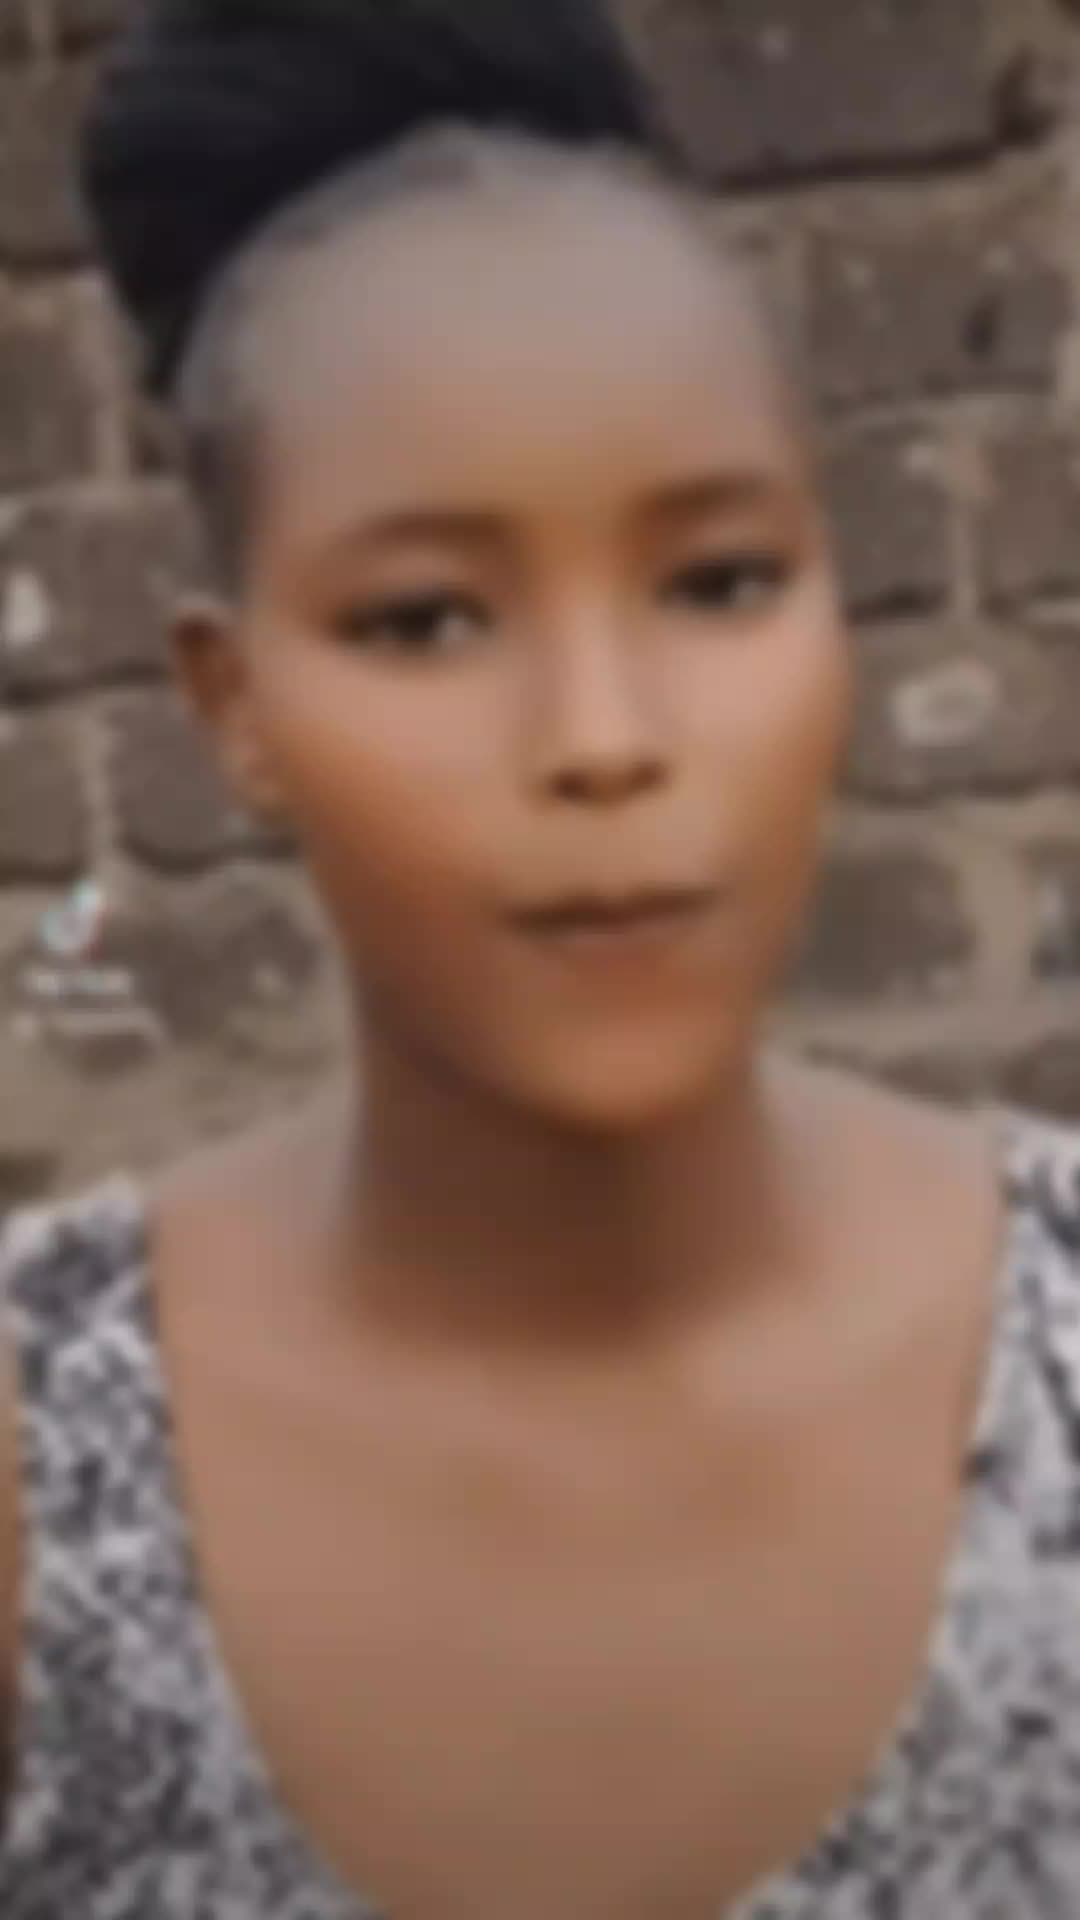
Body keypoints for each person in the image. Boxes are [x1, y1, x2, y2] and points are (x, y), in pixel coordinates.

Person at [0, 1, 1076, 1914]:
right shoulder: (33, 1462)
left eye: (719, 581)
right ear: (233, 708)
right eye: (425, 620)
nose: (602, 738)